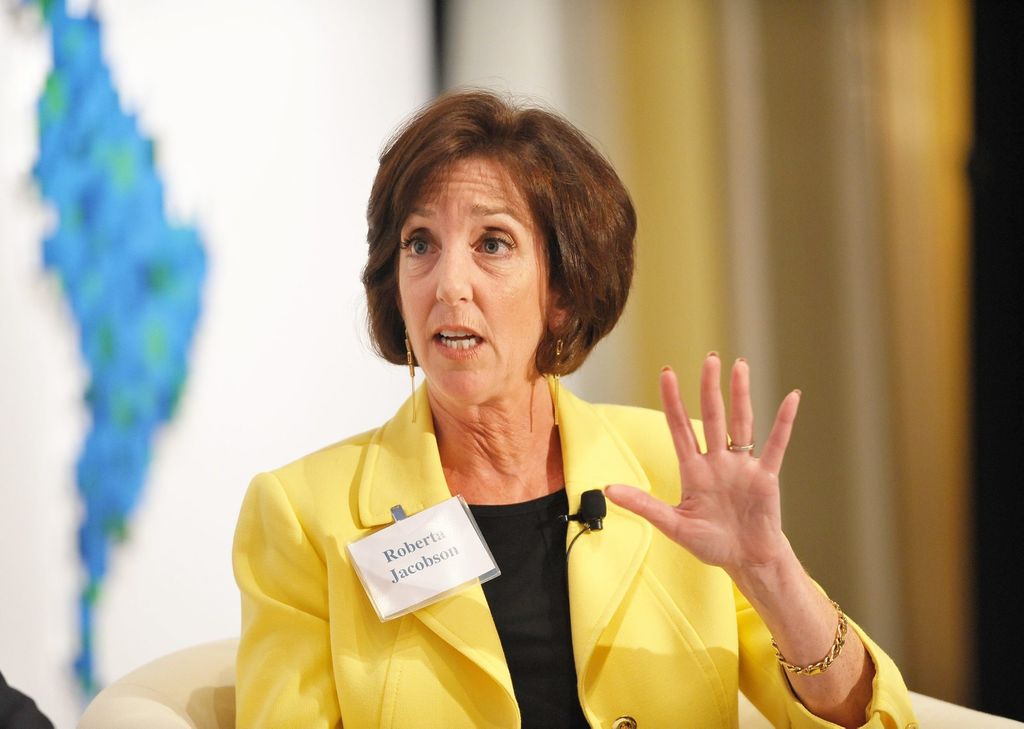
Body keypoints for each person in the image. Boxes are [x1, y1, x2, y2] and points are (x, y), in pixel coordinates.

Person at [233, 90, 916, 728]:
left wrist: (771, 573)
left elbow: (871, 721)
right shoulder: (304, 515)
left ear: (562, 292)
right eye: (420, 244)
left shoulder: (676, 472)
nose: (448, 284)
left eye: (492, 243)